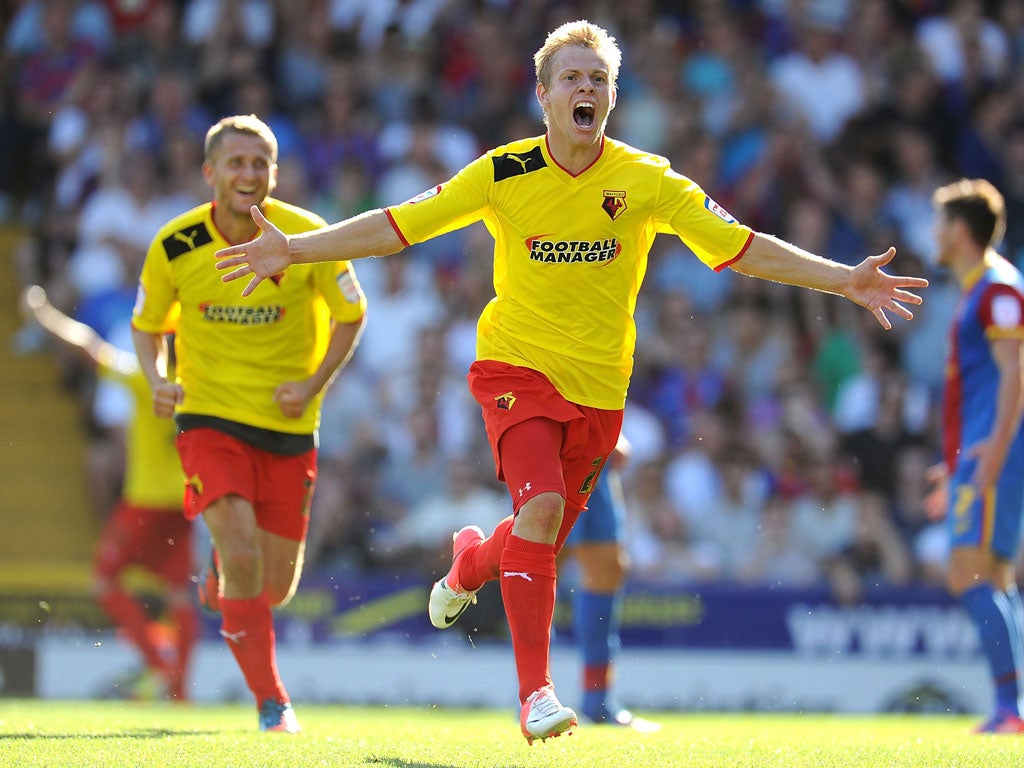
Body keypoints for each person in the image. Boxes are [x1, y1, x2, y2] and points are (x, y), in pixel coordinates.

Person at [214, 20, 927, 744]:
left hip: (598, 393)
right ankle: (537, 696)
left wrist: (845, 280)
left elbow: (741, 247)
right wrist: (295, 249)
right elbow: (400, 225)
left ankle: (469, 563)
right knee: (545, 509)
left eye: (598, 79)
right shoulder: (504, 172)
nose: (585, 88)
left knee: (537, 539)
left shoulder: (646, 179)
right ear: (544, 95)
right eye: (572, 78)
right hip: (514, 370)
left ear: (612, 97)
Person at [131, 114, 367, 733]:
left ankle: (224, 583)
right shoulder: (175, 244)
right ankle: (272, 702)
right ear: (210, 173)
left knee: (274, 586)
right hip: (208, 419)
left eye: (260, 163)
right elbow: (149, 324)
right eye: (236, 163)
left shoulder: (309, 235)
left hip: (289, 427)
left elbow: (351, 313)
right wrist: (158, 379)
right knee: (239, 553)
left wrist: (313, 385)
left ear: (275, 173)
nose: (248, 173)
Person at [20, 284, 197, 701]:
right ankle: (179, 691)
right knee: (177, 594)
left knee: (104, 582)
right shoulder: (200, 389)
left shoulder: (144, 380)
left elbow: (88, 346)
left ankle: (159, 664)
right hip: (186, 501)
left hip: (146, 499)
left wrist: (44, 316)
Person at [923, 178, 1024, 735]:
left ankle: (1010, 708)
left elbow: (1016, 371)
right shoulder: (981, 290)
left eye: (938, 222)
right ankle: (1012, 708)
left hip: (997, 452)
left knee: (968, 572)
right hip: (984, 451)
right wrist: (958, 462)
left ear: (960, 230)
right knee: (998, 578)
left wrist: (992, 455)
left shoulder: (998, 289)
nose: (933, 234)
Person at [558, 436, 658, 730]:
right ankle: (529, 696)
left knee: (608, 570)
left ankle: (597, 701)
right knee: (536, 567)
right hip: (552, 453)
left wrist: (611, 434)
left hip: (597, 462)